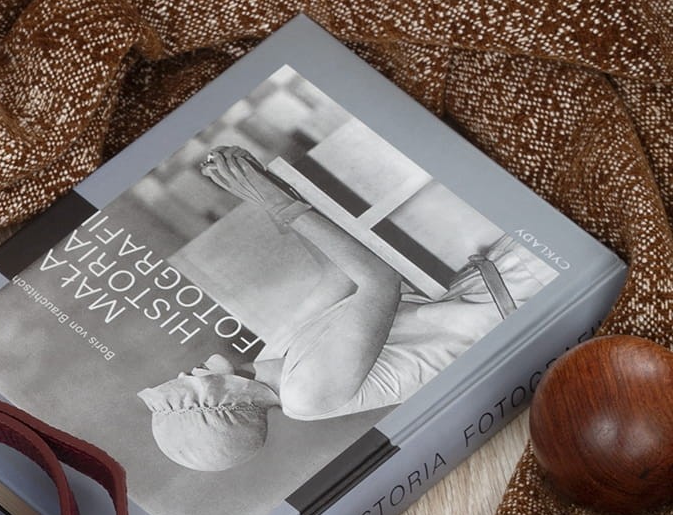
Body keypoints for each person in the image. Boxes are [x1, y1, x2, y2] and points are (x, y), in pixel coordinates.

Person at [138, 143, 544, 471]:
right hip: (524, 291)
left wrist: (264, 194)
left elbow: (339, 276)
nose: (183, 374)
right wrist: (277, 202)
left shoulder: (270, 361)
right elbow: (380, 282)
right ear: (227, 409)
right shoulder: (306, 396)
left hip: (495, 275)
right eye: (189, 389)